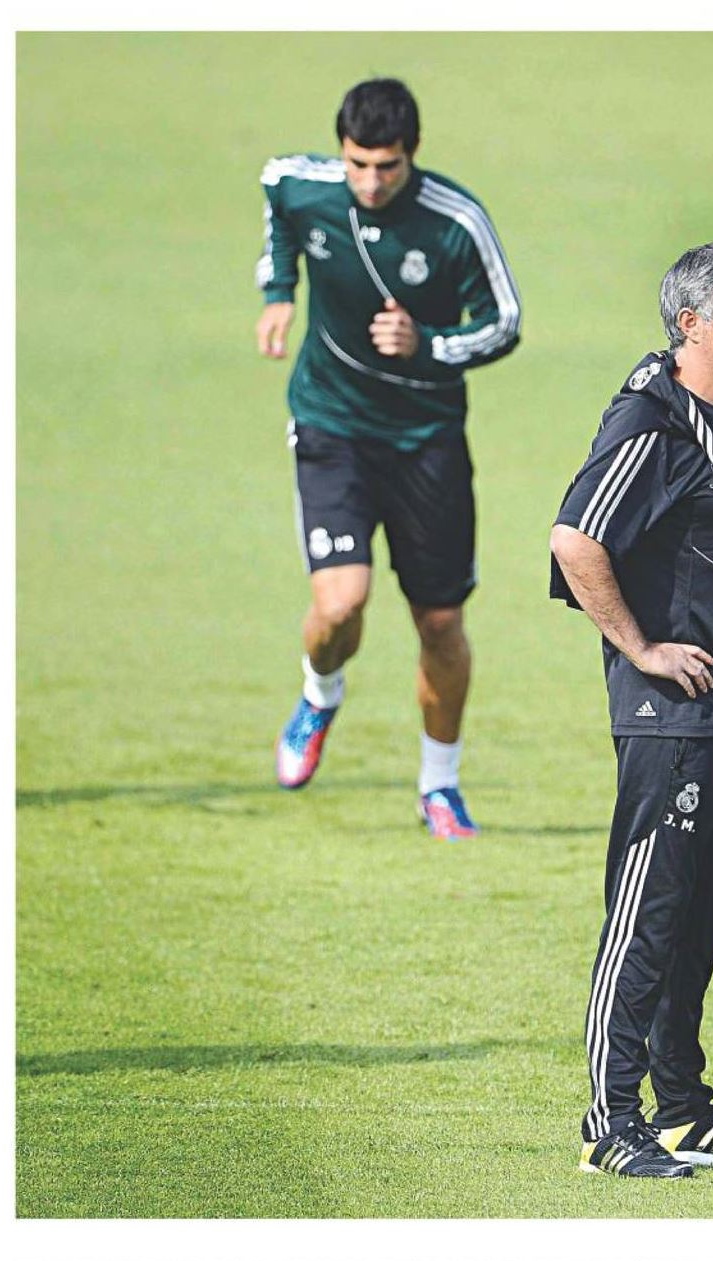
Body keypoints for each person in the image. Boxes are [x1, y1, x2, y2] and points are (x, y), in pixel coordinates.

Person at [549, 242, 713, 1178]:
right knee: (647, 913)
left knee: (698, 914)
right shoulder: (651, 424)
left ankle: (682, 1108)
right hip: (673, 719)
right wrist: (641, 648)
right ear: (690, 324)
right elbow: (576, 540)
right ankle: (610, 1122)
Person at [255, 77, 521, 838]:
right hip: (332, 426)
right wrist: (278, 289)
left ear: (413, 154)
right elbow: (274, 199)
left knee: (439, 622)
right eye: (358, 164)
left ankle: (440, 786)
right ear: (341, 151)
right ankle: (320, 694)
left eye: (387, 166)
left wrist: (426, 344)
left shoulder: (455, 221)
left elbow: (503, 322)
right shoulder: (302, 185)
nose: (370, 183)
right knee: (340, 606)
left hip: (426, 443)